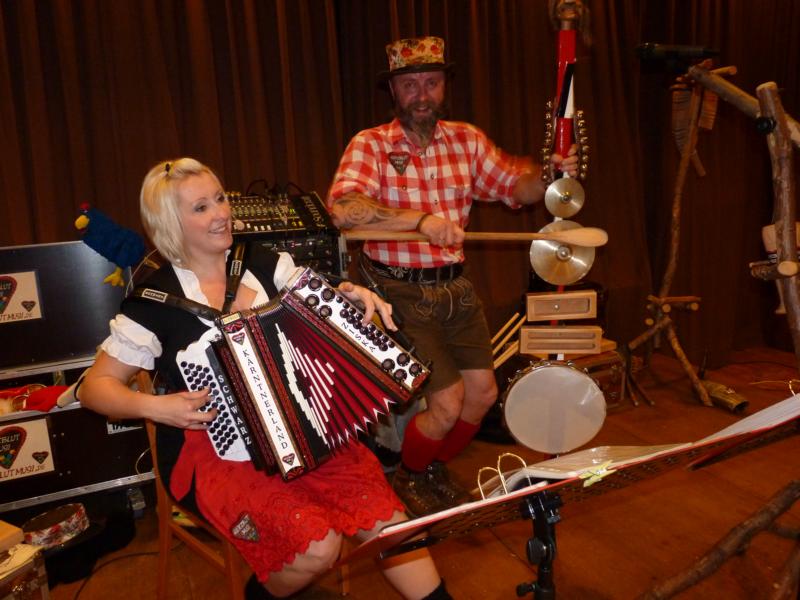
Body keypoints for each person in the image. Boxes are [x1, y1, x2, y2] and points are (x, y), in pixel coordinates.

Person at [79, 158, 452, 599]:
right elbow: (93, 388)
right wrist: (156, 407)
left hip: (306, 431)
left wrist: (352, 297)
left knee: (392, 526)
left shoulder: (264, 263)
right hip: (216, 455)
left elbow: (322, 304)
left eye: (220, 198)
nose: (221, 213)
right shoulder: (153, 303)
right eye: (201, 207)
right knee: (319, 548)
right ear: (170, 224)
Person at [326, 36, 579, 517]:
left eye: (432, 82)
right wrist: (419, 221)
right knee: (446, 403)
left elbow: (518, 187)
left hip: (455, 288)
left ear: (444, 86)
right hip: (395, 289)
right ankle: (410, 476)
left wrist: (550, 176)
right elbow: (342, 208)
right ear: (393, 90)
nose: (421, 94)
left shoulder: (467, 139)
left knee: (482, 395)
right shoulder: (371, 144)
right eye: (410, 84)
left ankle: (428, 467)